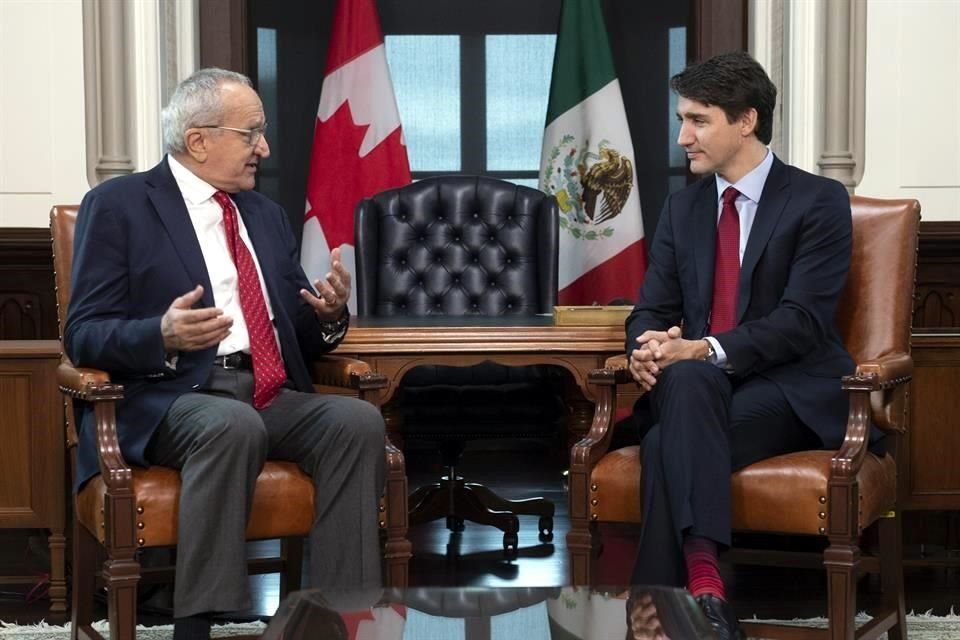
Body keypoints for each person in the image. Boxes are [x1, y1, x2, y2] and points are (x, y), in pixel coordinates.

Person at [65, 68, 386, 640]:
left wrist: (330, 317)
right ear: (198, 140)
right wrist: (160, 334)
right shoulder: (118, 206)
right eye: (251, 133)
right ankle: (196, 625)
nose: (263, 147)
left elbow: (296, 337)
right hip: (166, 396)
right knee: (230, 424)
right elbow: (84, 334)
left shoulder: (264, 215)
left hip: (265, 388)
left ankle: (339, 617)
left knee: (356, 421)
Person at [624, 52, 875, 640]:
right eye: (681, 119)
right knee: (683, 384)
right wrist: (647, 347)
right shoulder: (684, 209)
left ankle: (656, 612)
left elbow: (801, 322)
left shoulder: (817, 201)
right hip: (699, 387)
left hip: (787, 388)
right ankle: (704, 597)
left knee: (665, 441)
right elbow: (650, 312)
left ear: (747, 121)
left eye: (698, 120)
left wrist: (705, 348)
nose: (682, 137)